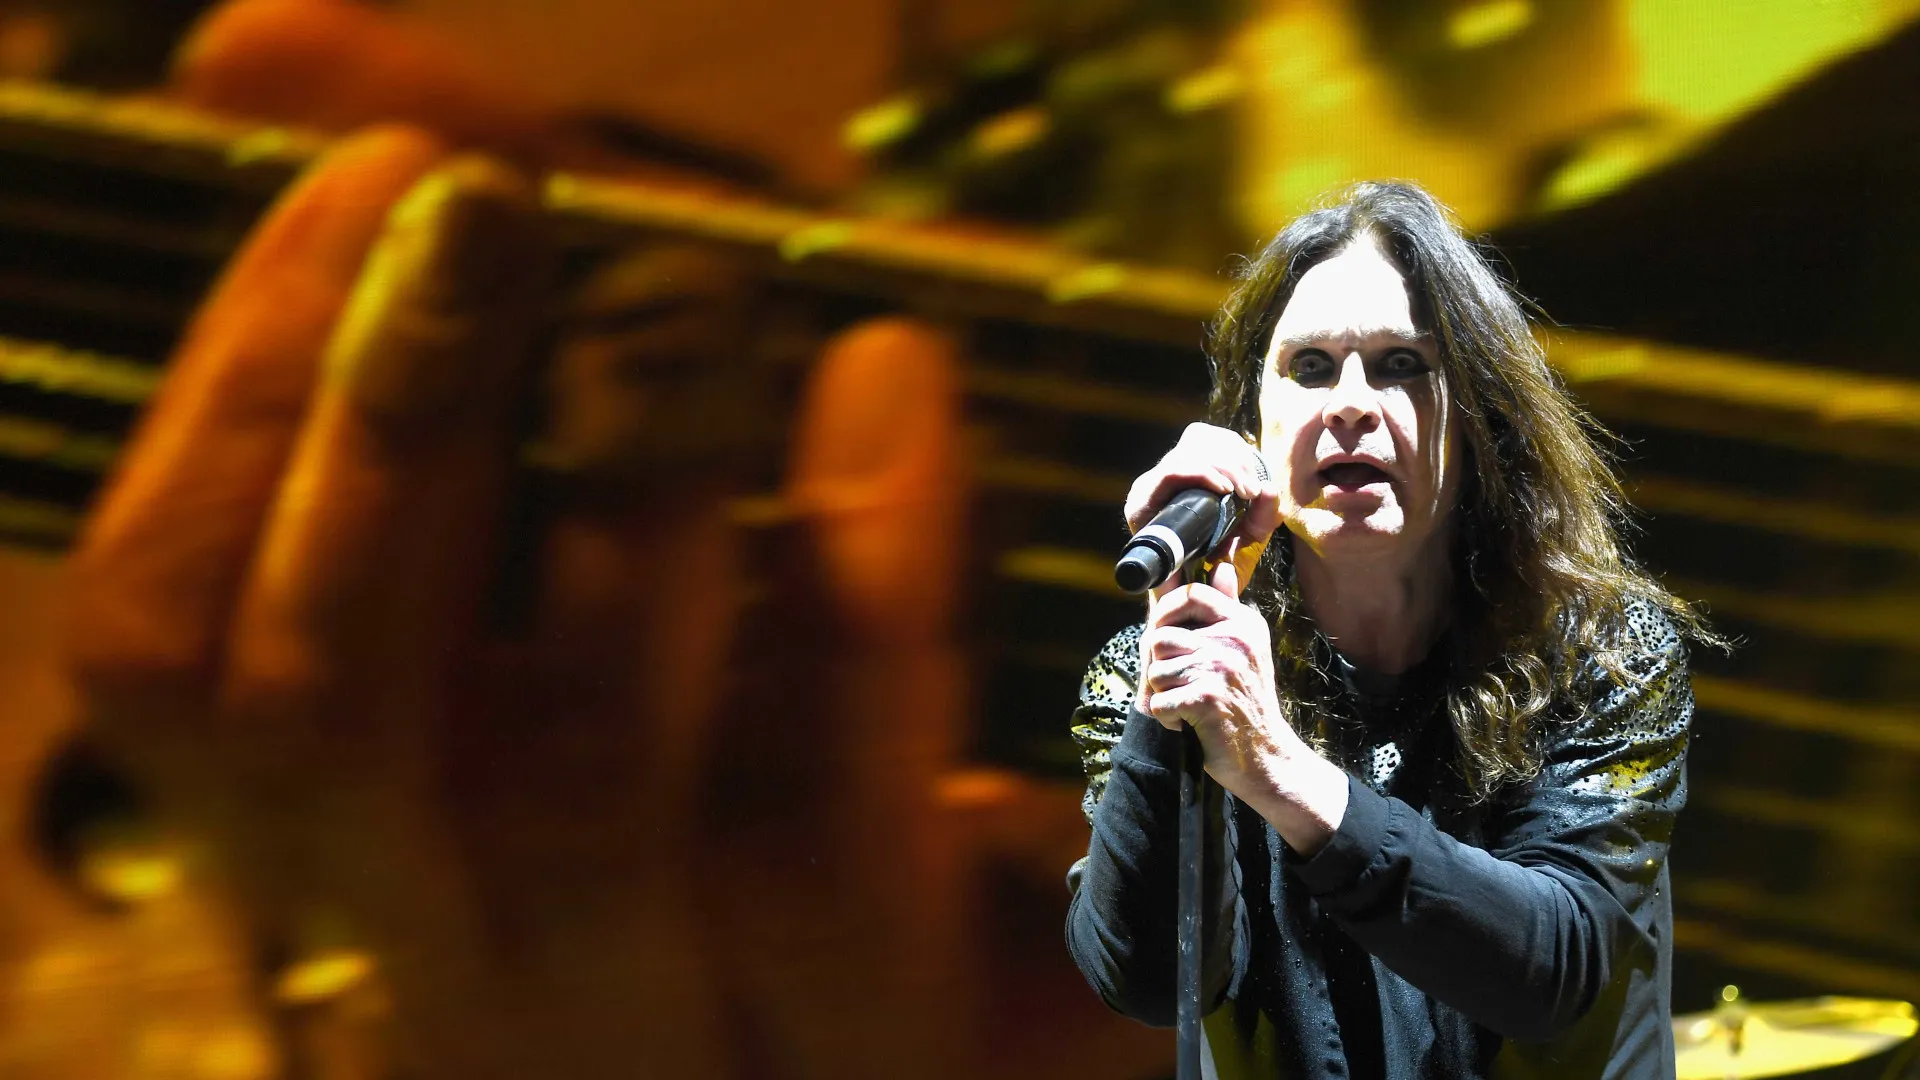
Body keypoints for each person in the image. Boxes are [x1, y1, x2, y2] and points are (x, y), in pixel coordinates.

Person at [1064, 180, 1719, 1079]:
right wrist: (1173, 677)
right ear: (1255, 426)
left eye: (1401, 364)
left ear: (1480, 418)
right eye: (1310, 366)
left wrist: (1278, 771)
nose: (1350, 403)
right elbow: (1151, 982)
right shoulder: (1156, 675)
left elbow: (1553, 971)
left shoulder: (1602, 654)